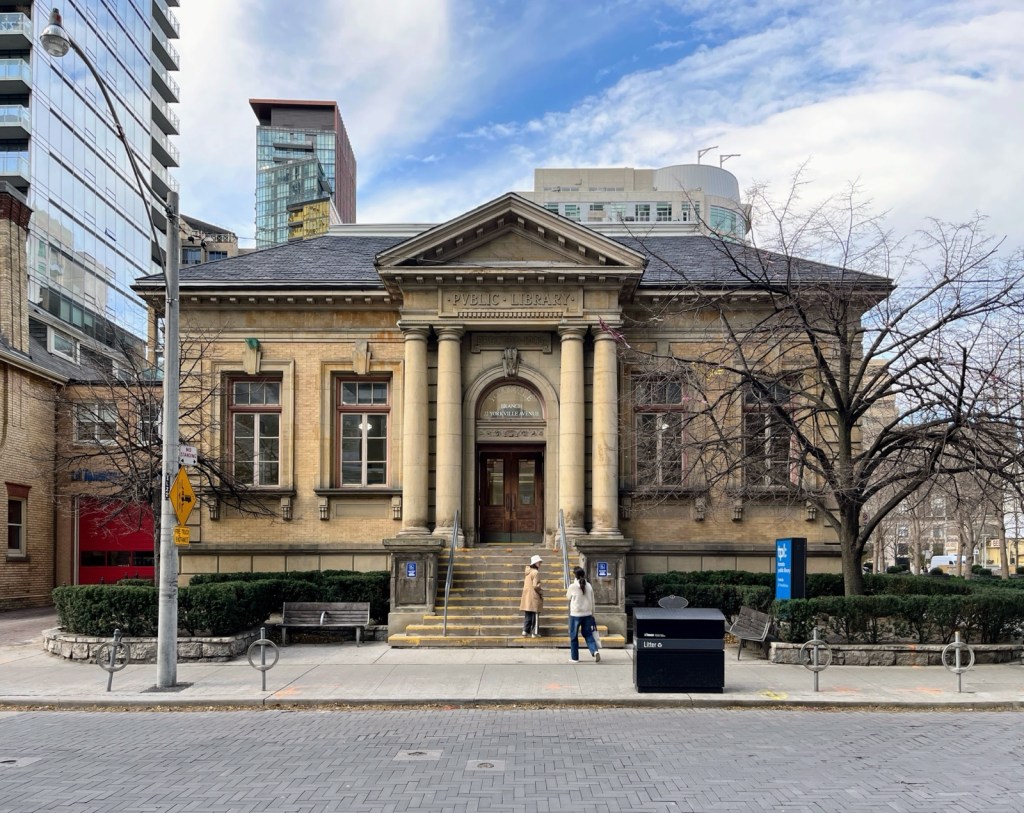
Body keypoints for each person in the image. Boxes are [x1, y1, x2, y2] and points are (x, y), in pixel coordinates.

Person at [566, 566, 600, 663]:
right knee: (588, 634)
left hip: (575, 614)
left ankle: (574, 658)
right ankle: (595, 651)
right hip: (588, 614)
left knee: (573, 636)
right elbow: (593, 601)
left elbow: (568, 597)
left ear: (575, 575)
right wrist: (593, 614)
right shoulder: (589, 586)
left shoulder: (572, 586)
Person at [519, 554, 543, 637]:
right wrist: (541, 592)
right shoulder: (535, 572)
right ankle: (534, 632)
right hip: (534, 595)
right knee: (535, 614)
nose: (540, 563)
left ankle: (525, 631)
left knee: (528, 614)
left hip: (527, 595)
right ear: (535, 563)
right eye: (539, 562)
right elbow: (536, 585)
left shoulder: (528, 572)